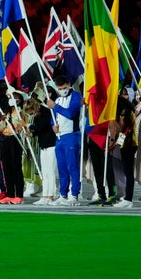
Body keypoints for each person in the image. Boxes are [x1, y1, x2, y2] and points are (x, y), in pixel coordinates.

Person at [47, 75, 83, 206]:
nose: (63, 90)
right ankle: (63, 194)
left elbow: (71, 114)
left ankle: (74, 195)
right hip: (60, 137)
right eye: (60, 88)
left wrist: (55, 106)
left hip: (71, 135)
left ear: (69, 84)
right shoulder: (58, 99)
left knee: (72, 166)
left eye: (64, 87)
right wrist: (53, 125)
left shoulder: (77, 97)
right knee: (62, 168)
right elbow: (53, 116)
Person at [26, 91, 58, 205]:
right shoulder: (37, 116)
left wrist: (30, 126)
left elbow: (43, 126)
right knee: (44, 170)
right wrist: (31, 134)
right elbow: (37, 130)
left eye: (32, 112)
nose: (32, 115)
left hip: (51, 144)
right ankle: (45, 195)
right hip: (43, 144)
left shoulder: (46, 112)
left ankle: (51, 195)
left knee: (50, 170)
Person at [0, 89, 28, 204]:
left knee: (16, 167)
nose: (12, 100)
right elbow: (1, 128)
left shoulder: (21, 112)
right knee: (7, 167)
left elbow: (21, 125)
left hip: (15, 139)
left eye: (14, 98)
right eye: (10, 98)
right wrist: (3, 121)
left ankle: (19, 195)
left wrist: (12, 120)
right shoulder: (7, 112)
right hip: (5, 138)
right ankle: (9, 194)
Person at [111, 99, 137, 209]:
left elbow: (125, 129)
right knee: (128, 172)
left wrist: (113, 121)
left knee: (128, 172)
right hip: (127, 144)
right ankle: (127, 197)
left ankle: (128, 199)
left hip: (129, 144)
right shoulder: (128, 111)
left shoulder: (126, 113)